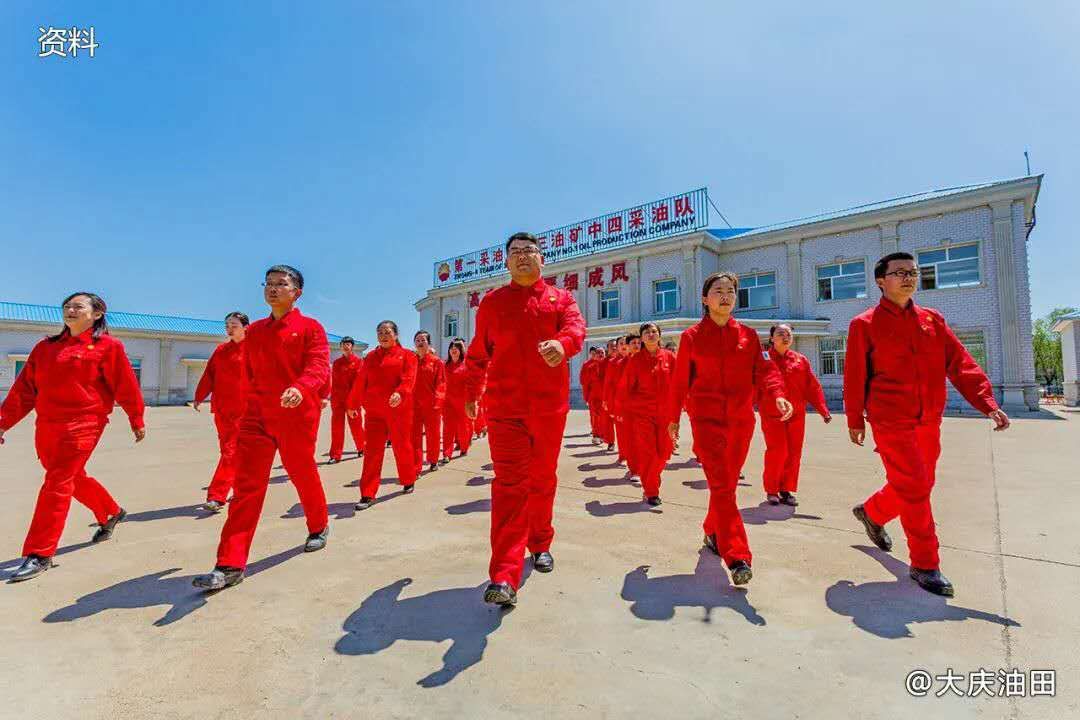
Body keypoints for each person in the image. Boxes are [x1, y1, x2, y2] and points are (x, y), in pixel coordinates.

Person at [846, 252, 1009, 597]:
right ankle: (924, 563)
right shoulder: (865, 324)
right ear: (880, 281)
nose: (908, 277)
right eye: (899, 272)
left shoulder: (932, 320)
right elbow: (855, 374)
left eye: (912, 271)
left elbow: (960, 363)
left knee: (919, 483)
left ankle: (872, 512)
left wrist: (987, 403)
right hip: (891, 418)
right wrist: (855, 418)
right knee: (915, 486)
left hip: (928, 419)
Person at [465, 231, 586, 606]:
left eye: (529, 251)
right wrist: (471, 392)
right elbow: (478, 353)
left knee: (542, 478)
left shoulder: (560, 299)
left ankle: (540, 542)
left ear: (541, 259)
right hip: (505, 409)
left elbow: (576, 329)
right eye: (515, 252)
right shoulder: (493, 303)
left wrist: (562, 344)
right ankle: (504, 575)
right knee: (509, 486)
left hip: (549, 409)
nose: (522, 256)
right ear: (506, 261)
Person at [193, 265, 331, 591]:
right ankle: (229, 564)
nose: (273, 289)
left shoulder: (310, 328)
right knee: (247, 487)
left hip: (296, 414)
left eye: (281, 284)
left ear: (297, 292)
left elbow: (318, 366)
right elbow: (247, 374)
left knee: (302, 472)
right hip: (257, 416)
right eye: (268, 284)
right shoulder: (254, 331)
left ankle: (319, 525)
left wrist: (301, 388)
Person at [0, 292, 145, 583]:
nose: (70, 310)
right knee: (70, 477)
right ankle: (111, 511)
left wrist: (136, 418)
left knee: (57, 483)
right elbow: (25, 390)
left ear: (97, 314)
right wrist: (3, 422)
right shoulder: (45, 348)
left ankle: (40, 552)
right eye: (67, 306)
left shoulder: (108, 347)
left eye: (78, 306)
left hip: (84, 423)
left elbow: (126, 385)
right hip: (47, 425)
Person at [668, 272, 791, 587]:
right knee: (722, 486)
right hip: (706, 422)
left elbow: (764, 371)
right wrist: (672, 417)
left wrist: (777, 394)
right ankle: (737, 555)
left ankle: (712, 530)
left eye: (730, 291)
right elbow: (680, 381)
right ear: (705, 299)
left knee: (726, 487)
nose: (725, 296)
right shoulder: (692, 337)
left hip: (740, 422)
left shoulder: (747, 336)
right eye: (718, 290)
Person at [758, 323, 831, 507]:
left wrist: (823, 409)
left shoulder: (800, 360)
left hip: (797, 414)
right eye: (780, 333)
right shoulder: (764, 359)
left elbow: (812, 386)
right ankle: (772, 490)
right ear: (771, 338)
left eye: (788, 334)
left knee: (793, 453)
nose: (785, 337)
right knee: (778, 451)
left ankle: (786, 489)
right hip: (772, 414)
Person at [349, 321, 418, 510]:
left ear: (395, 334)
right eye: (380, 332)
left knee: (401, 446)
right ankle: (367, 493)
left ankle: (408, 478)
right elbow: (361, 381)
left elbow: (409, 379)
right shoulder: (371, 357)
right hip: (374, 412)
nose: (383, 336)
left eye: (387, 332)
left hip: (399, 410)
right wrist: (353, 403)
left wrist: (400, 393)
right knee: (372, 451)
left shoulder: (407, 356)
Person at [192, 311, 250, 512]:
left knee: (230, 451)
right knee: (228, 450)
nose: (229, 329)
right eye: (227, 325)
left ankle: (217, 496)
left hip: (245, 410)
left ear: (245, 327)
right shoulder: (221, 350)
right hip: (222, 409)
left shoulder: (254, 350)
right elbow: (210, 374)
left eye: (234, 325)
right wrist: (199, 395)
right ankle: (239, 487)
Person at [623, 323, 676, 505]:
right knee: (649, 453)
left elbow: (679, 384)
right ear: (642, 338)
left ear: (659, 335)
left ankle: (651, 481)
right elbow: (627, 388)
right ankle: (651, 491)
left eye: (654, 331)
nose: (651, 334)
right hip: (642, 414)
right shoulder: (635, 360)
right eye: (647, 332)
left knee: (664, 453)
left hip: (666, 415)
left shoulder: (670, 357)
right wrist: (626, 411)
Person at [327, 337, 365, 464]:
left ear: (352, 346)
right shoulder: (337, 363)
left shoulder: (359, 362)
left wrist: (354, 402)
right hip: (338, 400)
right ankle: (335, 455)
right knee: (336, 428)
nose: (345, 346)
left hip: (352, 400)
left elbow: (358, 384)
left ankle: (362, 447)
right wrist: (332, 399)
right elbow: (334, 383)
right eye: (343, 344)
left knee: (356, 426)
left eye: (348, 344)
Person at [412, 330, 446, 475]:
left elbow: (441, 383)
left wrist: (438, 401)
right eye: (417, 340)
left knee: (433, 435)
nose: (420, 343)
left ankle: (433, 460)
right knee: (414, 437)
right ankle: (416, 465)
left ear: (429, 343)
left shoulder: (437, 362)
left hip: (431, 405)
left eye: (423, 340)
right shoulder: (411, 361)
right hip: (413, 405)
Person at [441, 338, 471, 463]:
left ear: (460, 350)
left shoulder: (466, 365)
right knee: (447, 428)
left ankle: (464, 447)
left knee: (463, 426)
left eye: (456, 348)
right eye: (451, 348)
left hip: (462, 401)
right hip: (447, 401)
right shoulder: (444, 365)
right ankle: (446, 454)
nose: (453, 350)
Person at [603, 336, 630, 461]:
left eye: (626, 343)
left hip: (635, 401)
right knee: (621, 430)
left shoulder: (636, 359)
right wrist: (606, 400)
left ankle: (634, 457)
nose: (624, 345)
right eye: (621, 343)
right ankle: (623, 455)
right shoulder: (613, 362)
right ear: (617, 347)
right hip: (618, 401)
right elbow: (607, 383)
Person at [579, 348, 601, 443]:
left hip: (603, 395)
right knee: (594, 415)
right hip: (593, 394)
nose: (594, 355)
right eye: (593, 353)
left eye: (597, 353)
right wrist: (586, 397)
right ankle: (596, 433)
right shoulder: (587, 365)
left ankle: (601, 433)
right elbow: (584, 381)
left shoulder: (605, 363)